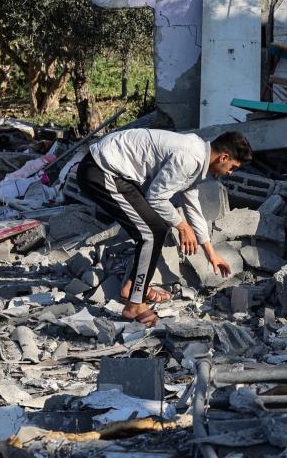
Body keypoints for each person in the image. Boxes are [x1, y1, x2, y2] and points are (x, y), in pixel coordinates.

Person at [76, 128, 252, 326]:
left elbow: (193, 206)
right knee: (151, 232)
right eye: (232, 167)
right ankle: (135, 305)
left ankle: (132, 287)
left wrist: (210, 252)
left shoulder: (197, 157)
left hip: (110, 170)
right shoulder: (189, 158)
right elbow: (156, 198)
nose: (229, 172)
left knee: (153, 229)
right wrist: (182, 226)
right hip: (102, 171)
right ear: (223, 157)